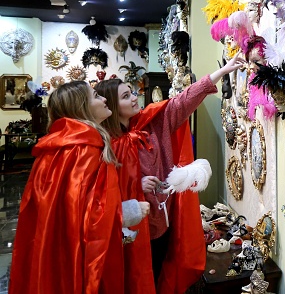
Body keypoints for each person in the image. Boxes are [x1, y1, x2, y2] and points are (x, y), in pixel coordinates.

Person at [95, 54, 244, 293]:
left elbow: (183, 101)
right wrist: (137, 185)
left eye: (131, 92)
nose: (134, 98)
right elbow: (101, 192)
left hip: (164, 223)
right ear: (112, 107)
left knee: (160, 272)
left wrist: (223, 71)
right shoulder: (104, 144)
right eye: (126, 96)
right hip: (132, 232)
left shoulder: (151, 122)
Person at [9, 81, 148, 293]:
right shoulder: (83, 150)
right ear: (82, 107)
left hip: (55, 247)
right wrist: (129, 211)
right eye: (96, 96)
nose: (103, 99)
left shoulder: (61, 145)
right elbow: (87, 215)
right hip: (76, 253)